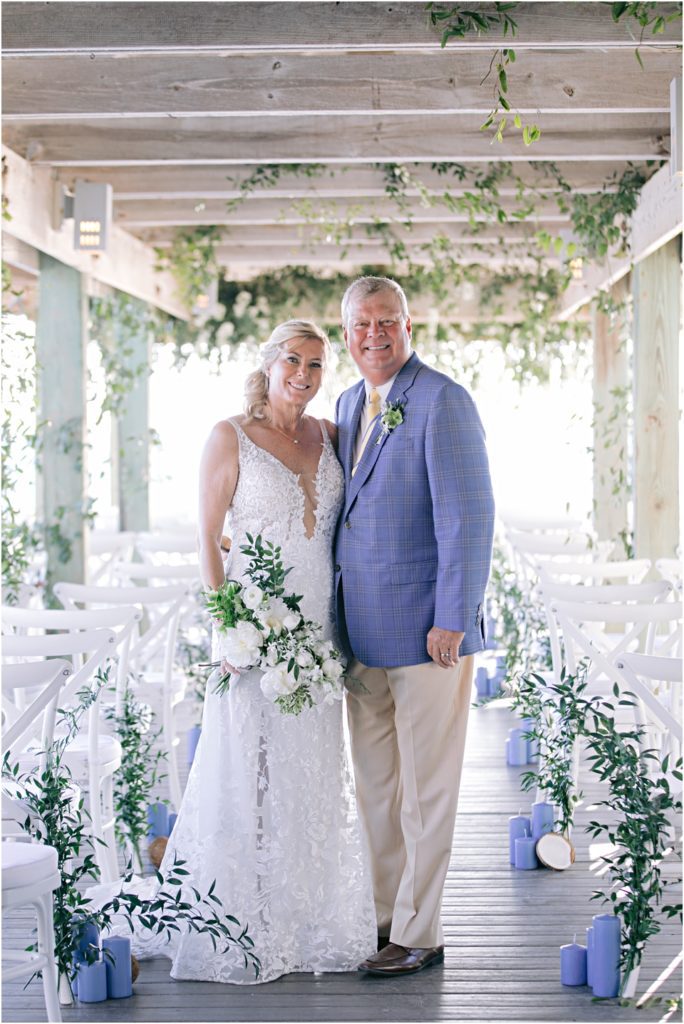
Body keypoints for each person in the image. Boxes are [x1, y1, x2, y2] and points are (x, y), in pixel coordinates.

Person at [142, 320, 376, 983]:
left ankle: (305, 919)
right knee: (250, 769)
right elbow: (207, 540)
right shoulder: (230, 436)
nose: (304, 373)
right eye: (293, 361)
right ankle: (242, 919)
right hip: (254, 629)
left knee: (311, 771)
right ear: (270, 365)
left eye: (316, 364)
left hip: (318, 635)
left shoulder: (329, 436)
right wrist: (229, 631)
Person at [334, 277, 495, 976]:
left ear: (409, 325)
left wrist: (453, 618)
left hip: (431, 635)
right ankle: (383, 920)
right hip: (360, 634)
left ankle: (420, 934)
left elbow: (469, 517)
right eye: (363, 324)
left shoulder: (442, 400)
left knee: (429, 792)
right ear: (347, 334)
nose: (376, 334)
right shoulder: (344, 402)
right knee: (377, 789)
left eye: (387, 322)